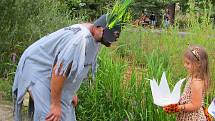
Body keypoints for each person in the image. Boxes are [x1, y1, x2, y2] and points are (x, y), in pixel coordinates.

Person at [12, 12, 125, 121]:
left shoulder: (95, 36)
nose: (109, 42)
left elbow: (74, 68)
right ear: (97, 27)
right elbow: (60, 70)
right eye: (107, 35)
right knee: (49, 115)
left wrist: (70, 92)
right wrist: (55, 105)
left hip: (52, 69)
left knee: (66, 113)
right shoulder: (79, 41)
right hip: (36, 67)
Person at [163, 45, 212, 121]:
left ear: (198, 64)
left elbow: (196, 105)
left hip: (192, 117)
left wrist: (178, 107)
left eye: (188, 63)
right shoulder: (193, 76)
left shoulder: (197, 82)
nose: (185, 65)